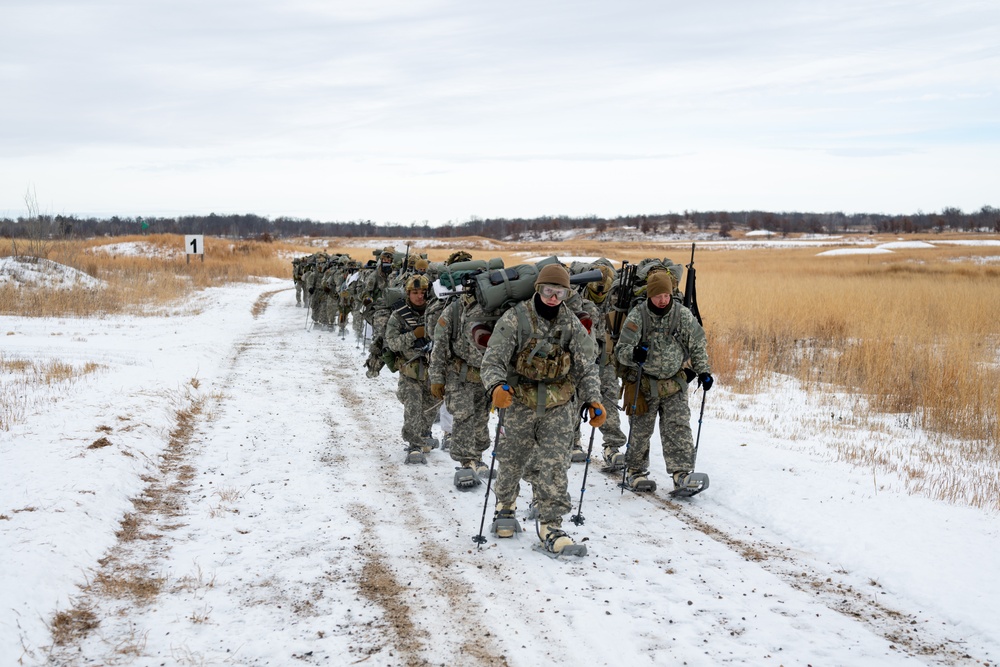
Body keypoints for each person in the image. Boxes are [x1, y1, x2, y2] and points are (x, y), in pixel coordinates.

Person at [480, 263, 606, 555]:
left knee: (554, 464)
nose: (553, 297)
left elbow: (587, 366)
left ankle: (551, 525)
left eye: (559, 292)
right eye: (548, 291)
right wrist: (496, 387)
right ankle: (505, 507)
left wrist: (593, 400)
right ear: (539, 290)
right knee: (512, 459)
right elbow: (493, 360)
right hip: (520, 401)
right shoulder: (516, 319)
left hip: (558, 404)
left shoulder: (571, 323)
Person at [613, 272, 714, 491]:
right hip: (643, 384)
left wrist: (704, 371)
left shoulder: (683, 315)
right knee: (640, 431)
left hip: (673, 384)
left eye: (666, 295)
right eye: (658, 295)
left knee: (678, 428)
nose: (663, 300)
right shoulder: (637, 316)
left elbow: (697, 344)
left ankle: (682, 474)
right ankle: (635, 472)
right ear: (650, 295)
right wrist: (634, 353)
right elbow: (620, 351)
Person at [384, 275, 437, 463]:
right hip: (410, 370)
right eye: (415, 292)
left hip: (432, 370)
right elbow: (391, 343)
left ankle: (425, 433)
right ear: (408, 293)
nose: (419, 296)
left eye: (423, 292)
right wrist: (413, 335)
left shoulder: (435, 312)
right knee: (413, 406)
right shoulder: (399, 315)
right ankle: (413, 445)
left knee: (431, 406)